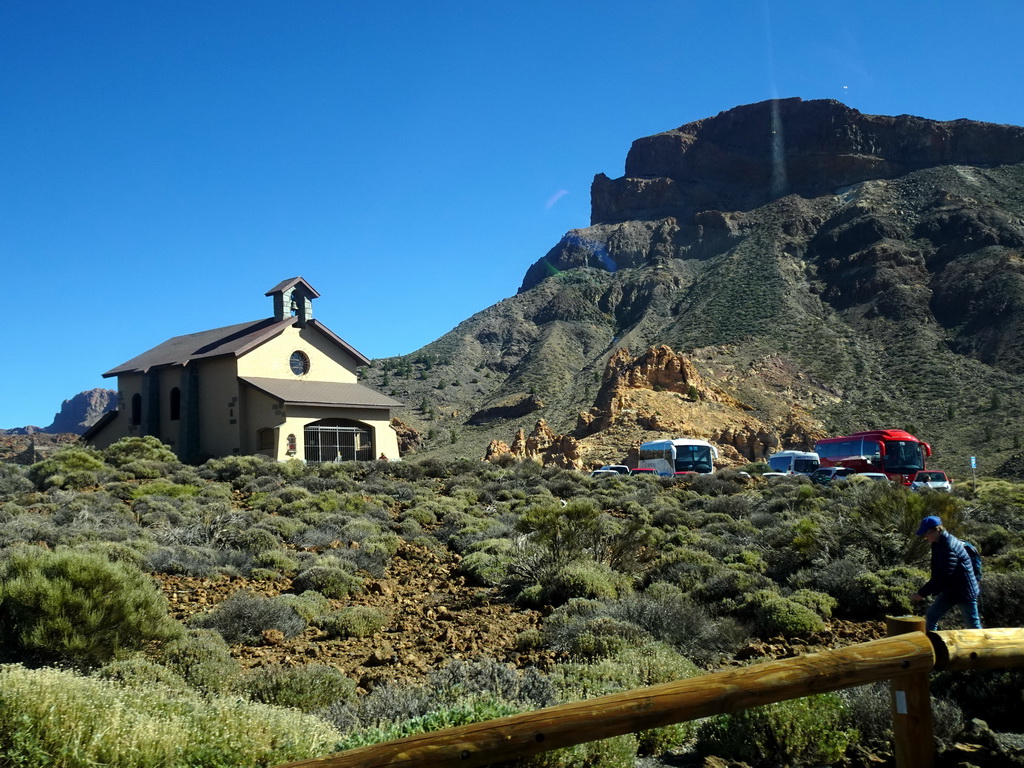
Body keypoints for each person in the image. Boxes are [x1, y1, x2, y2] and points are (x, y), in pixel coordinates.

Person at [911, 515, 981, 631]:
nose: (925, 536)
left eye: (926, 533)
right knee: (931, 617)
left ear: (937, 530)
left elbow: (942, 576)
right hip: (950, 591)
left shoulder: (949, 547)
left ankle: (984, 647)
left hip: (965, 592)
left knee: (973, 625)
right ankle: (936, 645)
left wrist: (922, 594)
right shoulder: (938, 543)